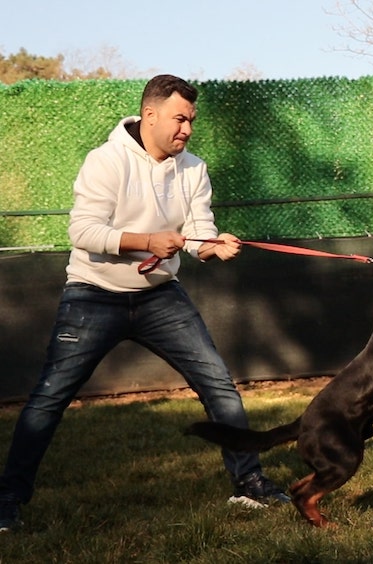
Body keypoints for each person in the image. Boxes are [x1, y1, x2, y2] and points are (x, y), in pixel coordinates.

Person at [0, 75, 289, 533]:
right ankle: (7, 501)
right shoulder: (106, 161)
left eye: (191, 121)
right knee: (48, 400)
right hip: (92, 294)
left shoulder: (193, 168)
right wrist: (146, 240)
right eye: (180, 119)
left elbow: (200, 234)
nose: (187, 130)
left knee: (220, 387)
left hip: (160, 298)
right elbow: (84, 232)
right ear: (150, 114)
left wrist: (215, 247)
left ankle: (248, 483)